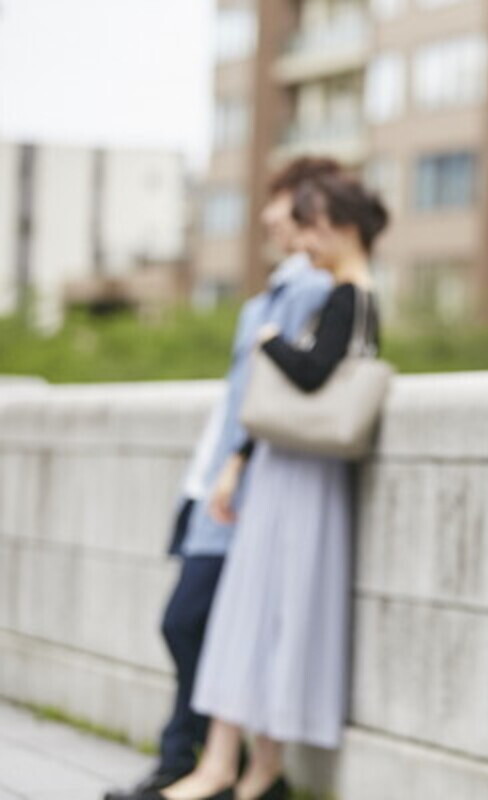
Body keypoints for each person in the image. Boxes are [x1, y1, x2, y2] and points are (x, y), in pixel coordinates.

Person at [103, 157, 341, 800]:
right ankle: (203, 761)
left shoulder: (313, 291)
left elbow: (286, 392)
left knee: (190, 620)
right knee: (195, 623)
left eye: (282, 200)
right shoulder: (269, 295)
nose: (270, 214)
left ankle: (199, 761)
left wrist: (237, 463)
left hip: (245, 487)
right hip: (210, 479)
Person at [150, 170, 387, 800]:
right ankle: (235, 767)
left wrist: (270, 341)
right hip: (291, 472)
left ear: (338, 226)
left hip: (302, 478)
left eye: (310, 227)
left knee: (271, 615)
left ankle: (250, 771)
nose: (303, 242)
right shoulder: (341, 293)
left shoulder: (348, 296)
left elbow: (310, 375)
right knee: (252, 616)